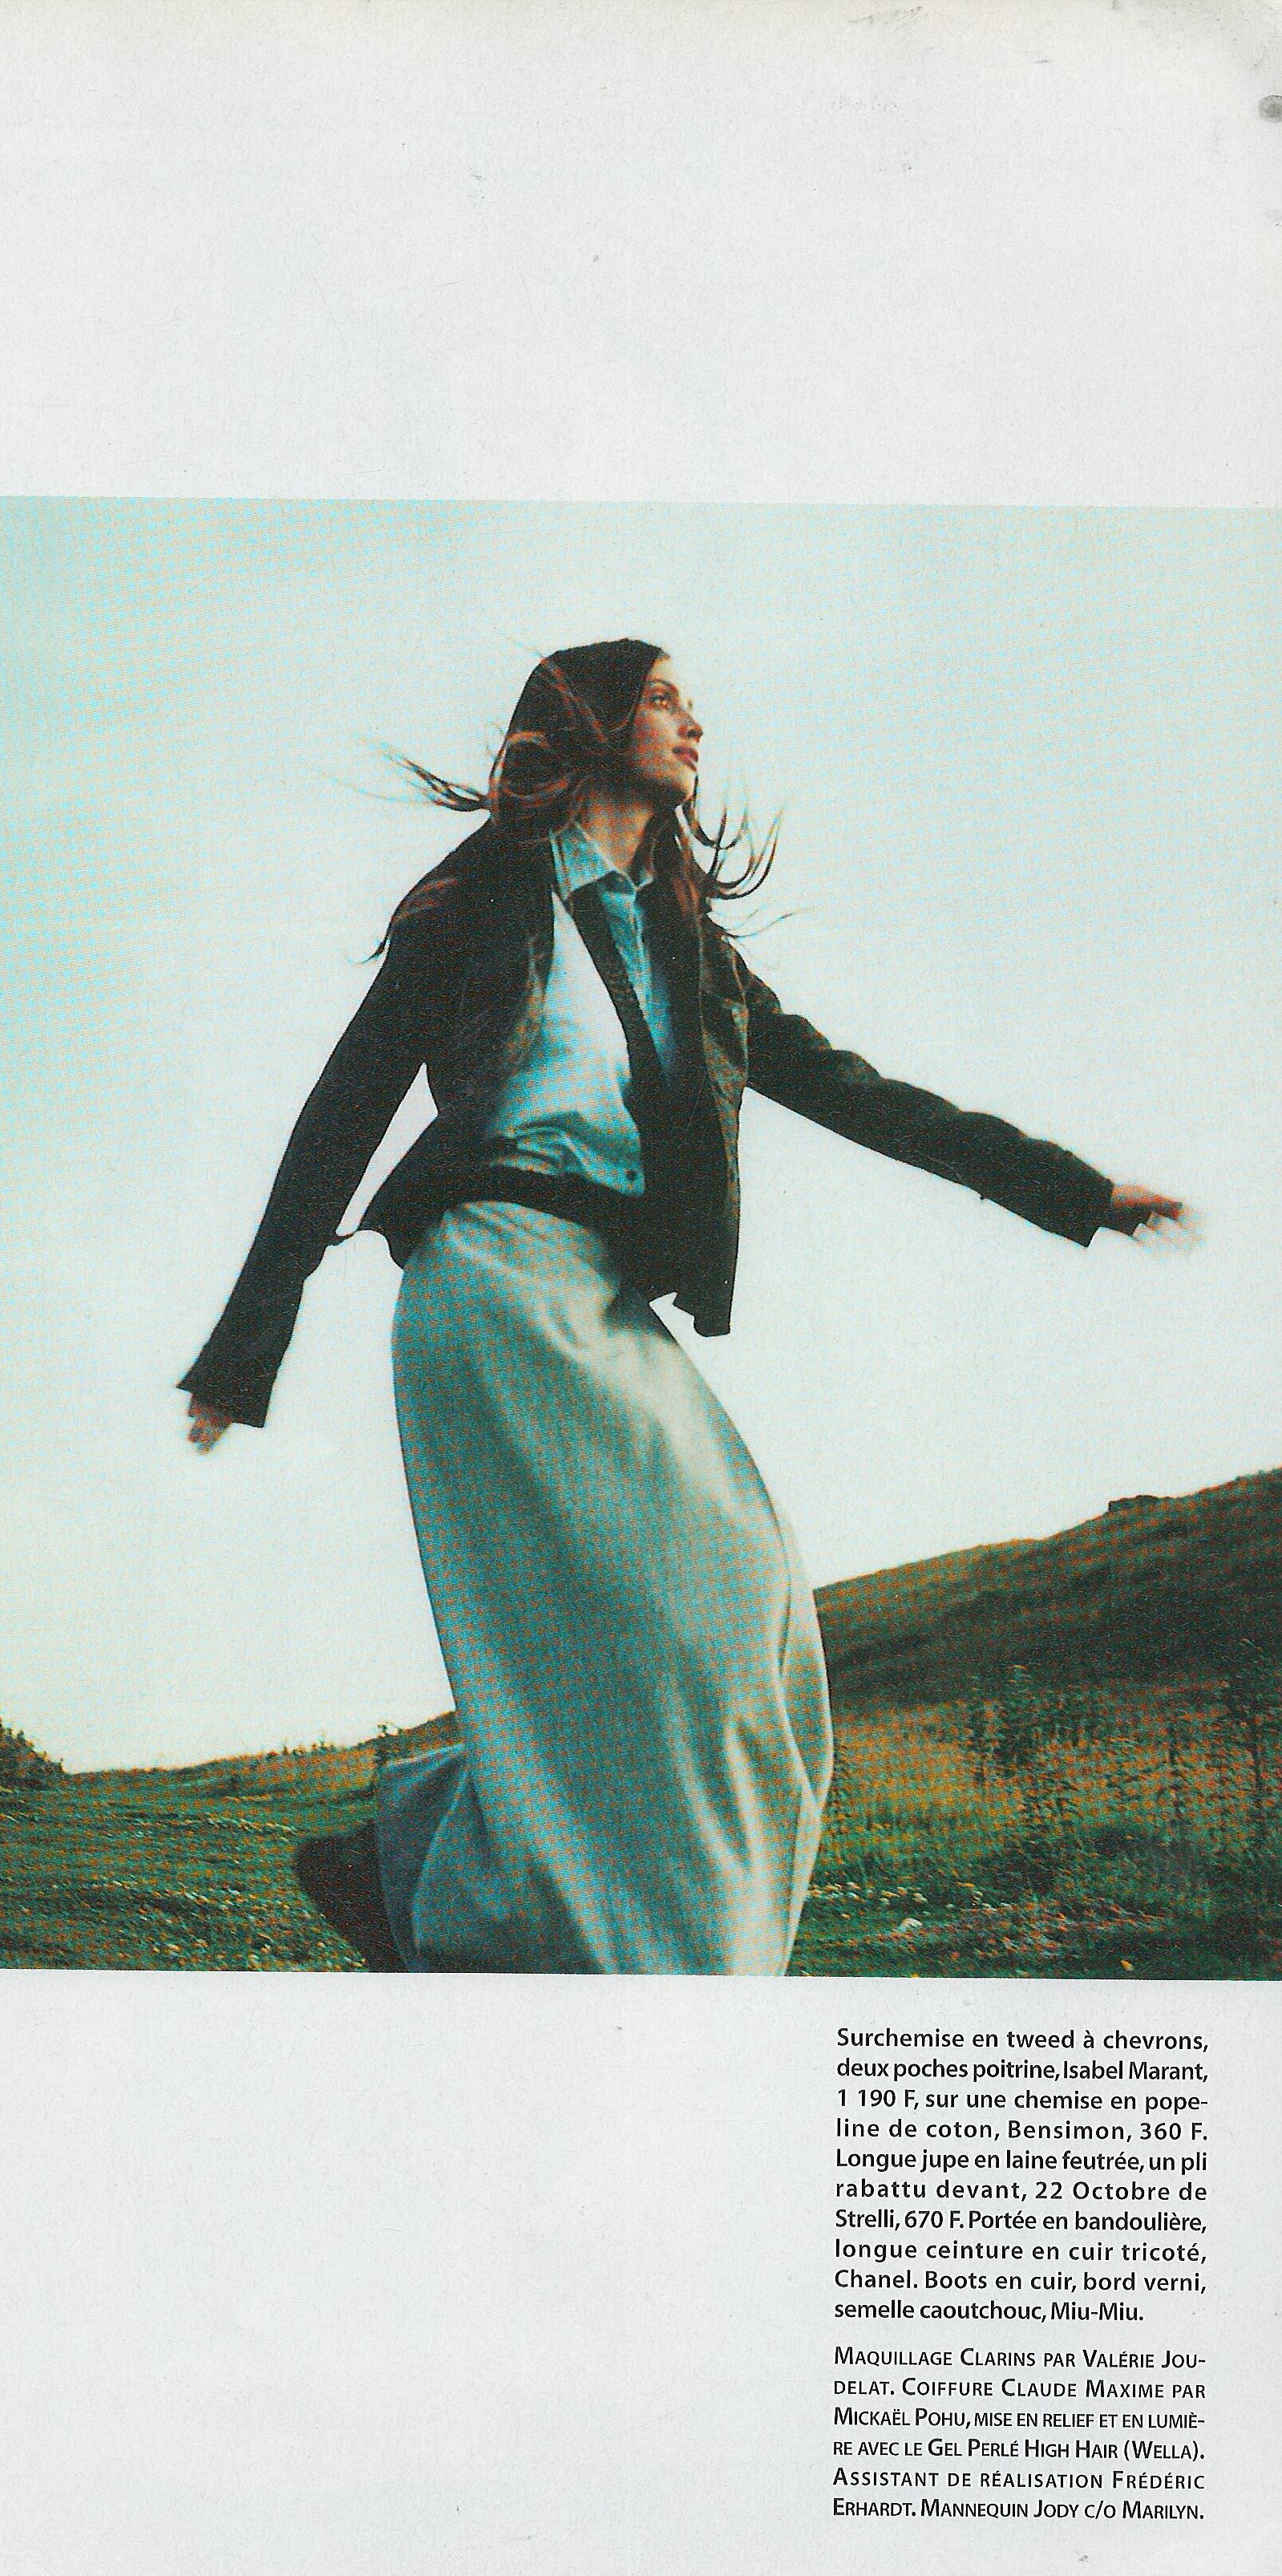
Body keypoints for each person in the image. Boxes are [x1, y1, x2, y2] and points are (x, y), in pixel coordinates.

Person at [179, 640, 1184, 1975]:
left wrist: (1072, 1190)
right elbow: (339, 1119)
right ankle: (540, 1924)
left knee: (752, 1613)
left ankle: (429, 1865)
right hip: (492, 1276)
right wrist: (242, 1354)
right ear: (590, 722)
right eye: (663, 697)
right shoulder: (477, 903)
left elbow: (856, 1092)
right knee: (680, 1619)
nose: (694, 724)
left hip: (599, 1295)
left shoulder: (688, 954)